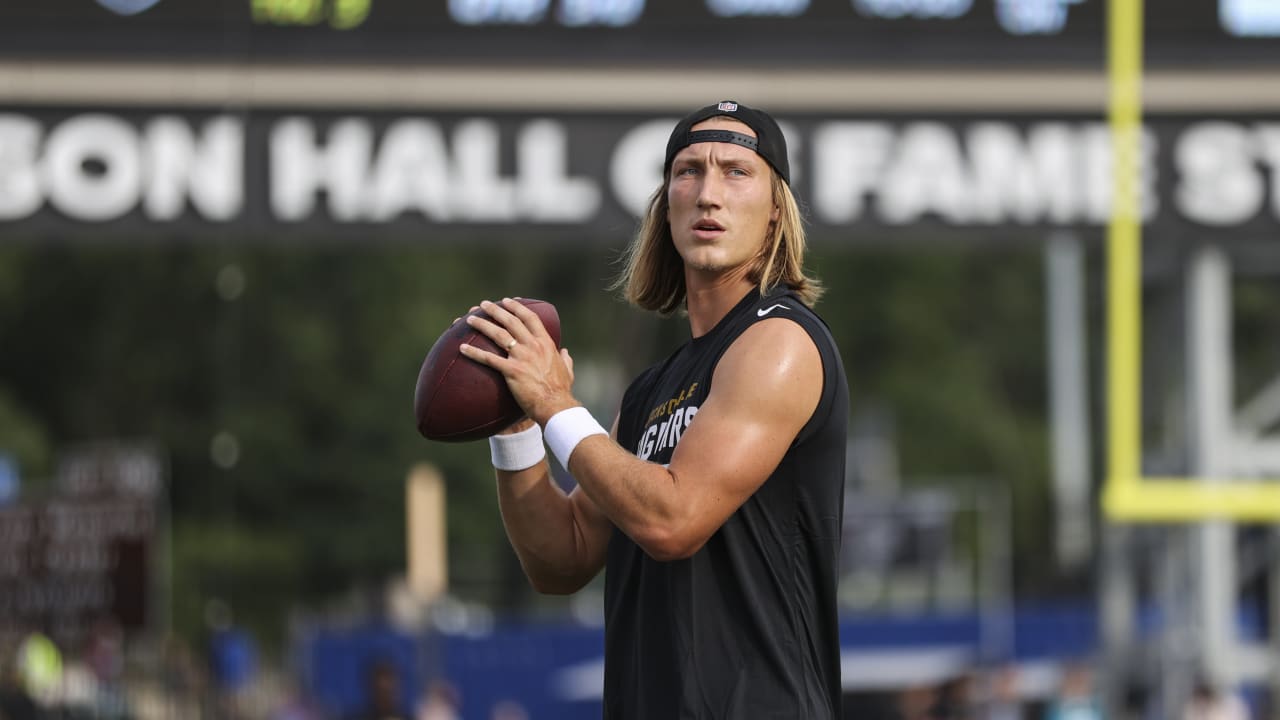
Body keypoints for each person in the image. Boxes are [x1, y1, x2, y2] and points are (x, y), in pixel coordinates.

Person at [459, 100, 849, 718]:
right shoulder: (649, 393)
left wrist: (556, 401)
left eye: (736, 172)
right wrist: (518, 424)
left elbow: (673, 518)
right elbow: (562, 559)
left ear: (777, 212)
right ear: (666, 204)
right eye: (688, 171)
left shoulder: (781, 341)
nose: (708, 193)